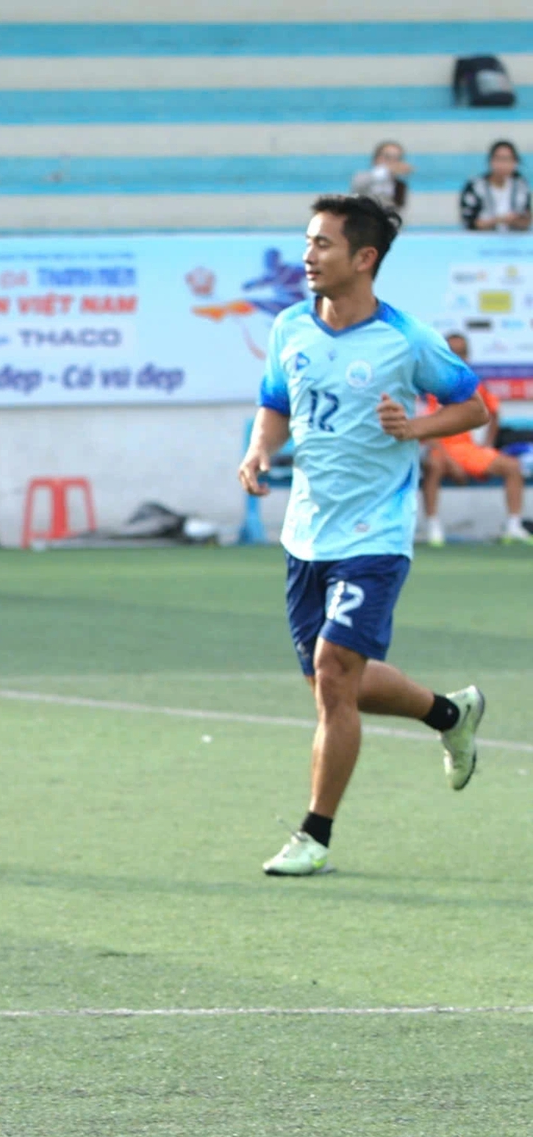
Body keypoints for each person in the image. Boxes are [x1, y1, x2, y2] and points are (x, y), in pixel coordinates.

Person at [238, 194, 490, 877]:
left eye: (322, 244)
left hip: (376, 532)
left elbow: (472, 404)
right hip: (306, 533)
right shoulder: (290, 326)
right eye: (308, 241)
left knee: (332, 673)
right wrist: (262, 450)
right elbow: (275, 404)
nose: (307, 256)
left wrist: (416, 428)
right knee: (335, 686)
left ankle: (314, 833)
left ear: (364, 258)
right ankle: (450, 713)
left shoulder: (404, 337)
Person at [420, 332, 529, 544]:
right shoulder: (428, 384)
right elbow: (424, 427)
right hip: (440, 449)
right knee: (432, 464)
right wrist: (450, 461)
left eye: (461, 353)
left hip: (467, 449)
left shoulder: (474, 384)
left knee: (512, 466)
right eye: (452, 353)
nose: (457, 358)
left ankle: (514, 527)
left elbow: (494, 413)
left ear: (468, 357)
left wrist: (487, 445)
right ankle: (433, 528)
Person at [459, 140, 531, 232]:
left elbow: (526, 220)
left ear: (515, 162)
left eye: (507, 159)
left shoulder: (521, 186)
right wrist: (498, 220)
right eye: (498, 159)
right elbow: (469, 222)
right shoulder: (475, 186)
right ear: (490, 161)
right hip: (481, 241)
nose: (502, 164)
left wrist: (516, 221)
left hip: (514, 241)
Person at [349, 140, 411, 217]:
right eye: (388, 157)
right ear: (376, 158)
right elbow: (357, 187)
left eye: (397, 158)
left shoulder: (400, 185)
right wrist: (387, 171)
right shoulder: (362, 177)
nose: (392, 161)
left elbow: (400, 213)